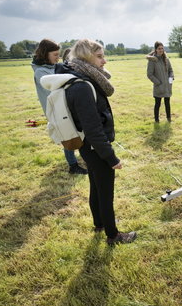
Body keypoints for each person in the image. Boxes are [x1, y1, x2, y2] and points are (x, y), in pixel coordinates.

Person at [52, 39, 136, 245]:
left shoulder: (79, 79)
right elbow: (93, 128)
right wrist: (111, 157)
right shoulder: (81, 86)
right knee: (105, 190)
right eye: (99, 56)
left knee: (96, 185)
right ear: (85, 57)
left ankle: (99, 223)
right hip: (94, 146)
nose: (104, 61)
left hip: (88, 146)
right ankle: (113, 235)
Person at [31, 39, 87, 175]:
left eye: (58, 54)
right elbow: (57, 86)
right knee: (68, 134)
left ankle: (84, 156)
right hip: (57, 110)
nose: (58, 57)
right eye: (55, 54)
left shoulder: (53, 66)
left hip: (67, 105)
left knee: (78, 131)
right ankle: (73, 166)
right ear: (45, 54)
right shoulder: (41, 72)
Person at [146, 42, 174, 123]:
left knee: (167, 103)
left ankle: (169, 119)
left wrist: (171, 78)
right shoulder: (152, 60)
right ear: (156, 49)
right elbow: (149, 74)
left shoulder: (166, 59)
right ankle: (156, 120)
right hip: (158, 87)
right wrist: (158, 82)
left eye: (162, 48)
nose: (161, 50)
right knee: (157, 104)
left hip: (167, 86)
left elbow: (171, 70)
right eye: (159, 49)